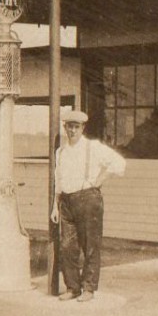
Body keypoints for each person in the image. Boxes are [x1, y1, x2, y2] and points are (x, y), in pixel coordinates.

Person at [52, 109, 127, 302]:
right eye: (69, 127)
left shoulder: (92, 147)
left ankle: (89, 289)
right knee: (67, 246)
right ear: (65, 127)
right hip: (66, 202)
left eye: (76, 127)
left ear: (83, 128)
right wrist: (55, 206)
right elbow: (58, 181)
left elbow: (119, 163)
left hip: (88, 199)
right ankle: (72, 287)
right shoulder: (60, 152)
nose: (72, 131)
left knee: (90, 245)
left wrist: (99, 180)